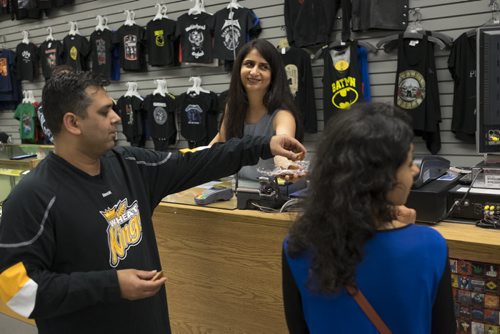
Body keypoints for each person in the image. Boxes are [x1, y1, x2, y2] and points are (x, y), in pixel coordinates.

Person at [0, 71, 306, 334]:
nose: (117, 117)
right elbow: (16, 292)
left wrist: (263, 145)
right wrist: (111, 284)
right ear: (73, 123)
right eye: (105, 112)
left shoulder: (130, 164)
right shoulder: (34, 197)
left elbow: (197, 161)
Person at [282, 103, 456, 333]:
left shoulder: (297, 245)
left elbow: (298, 327)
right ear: (381, 177)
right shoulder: (430, 246)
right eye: (408, 163)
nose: (414, 171)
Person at [210, 38, 303, 180]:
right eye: (249, 64)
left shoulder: (283, 115)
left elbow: (282, 151)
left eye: (263, 67)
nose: (254, 72)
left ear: (273, 75)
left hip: (267, 197)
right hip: (234, 193)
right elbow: (221, 140)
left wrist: (287, 166)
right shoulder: (232, 107)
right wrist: (193, 161)